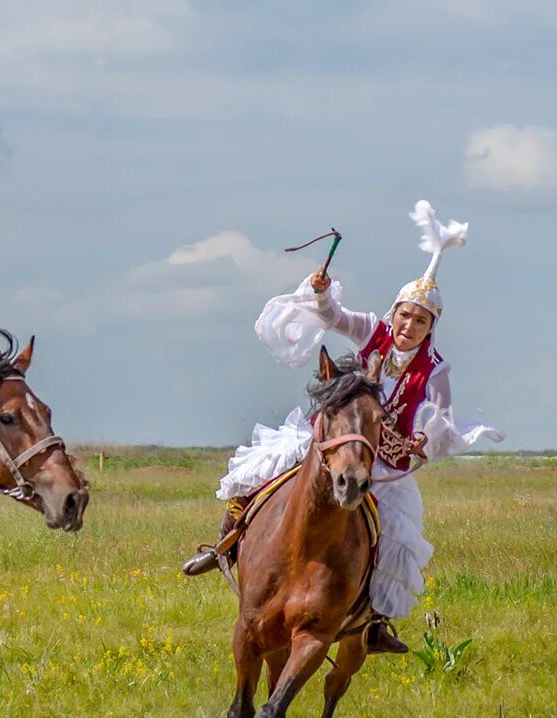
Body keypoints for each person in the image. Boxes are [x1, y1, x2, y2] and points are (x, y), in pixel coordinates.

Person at [186, 200, 504, 652]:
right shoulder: (372, 330)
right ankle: (222, 546)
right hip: (333, 440)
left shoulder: (435, 369)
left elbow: (445, 421)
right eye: (404, 315)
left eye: (420, 320)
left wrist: (422, 440)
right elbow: (334, 318)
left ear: (431, 327)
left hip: (384, 464)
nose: (408, 326)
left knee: (394, 534)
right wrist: (320, 292)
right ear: (393, 313)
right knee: (261, 468)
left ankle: (370, 622)